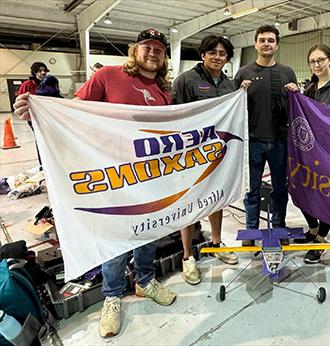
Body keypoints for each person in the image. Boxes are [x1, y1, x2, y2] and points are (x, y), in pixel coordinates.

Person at [13, 28, 176, 339]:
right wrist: (38, 111)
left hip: (151, 176)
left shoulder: (163, 92)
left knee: (148, 230)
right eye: (147, 47)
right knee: (114, 238)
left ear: (164, 56)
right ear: (134, 50)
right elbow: (73, 111)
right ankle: (113, 296)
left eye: (159, 49)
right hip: (113, 176)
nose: (153, 52)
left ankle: (145, 281)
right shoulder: (109, 77)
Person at [171, 35, 249, 285]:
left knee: (216, 198)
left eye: (222, 54)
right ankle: (187, 256)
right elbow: (175, 115)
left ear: (227, 58)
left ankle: (216, 243)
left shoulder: (229, 84)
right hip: (191, 155)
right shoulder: (186, 80)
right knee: (189, 203)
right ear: (202, 54)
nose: (217, 57)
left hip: (218, 154)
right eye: (212, 52)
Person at [285, 43, 330, 264]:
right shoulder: (310, 89)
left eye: (321, 60)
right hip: (310, 152)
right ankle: (313, 228)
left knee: (327, 196)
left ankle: (322, 239)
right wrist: (296, 94)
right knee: (302, 189)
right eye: (313, 61)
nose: (317, 64)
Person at [233, 25, 297, 242]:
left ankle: (279, 226)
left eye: (271, 40)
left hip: (280, 141)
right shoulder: (243, 73)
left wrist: (296, 93)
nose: (266, 43)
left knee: (280, 189)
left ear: (277, 45)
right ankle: (251, 229)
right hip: (252, 142)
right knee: (251, 190)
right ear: (255, 44)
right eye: (262, 40)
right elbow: (231, 107)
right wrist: (239, 90)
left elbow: (295, 107)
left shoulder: (287, 72)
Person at [18, 62, 49, 169]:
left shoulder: (49, 83)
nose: (43, 72)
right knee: (40, 138)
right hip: (34, 117)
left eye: (44, 70)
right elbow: (22, 100)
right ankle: (43, 164)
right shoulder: (27, 85)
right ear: (35, 72)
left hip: (49, 116)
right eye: (40, 71)